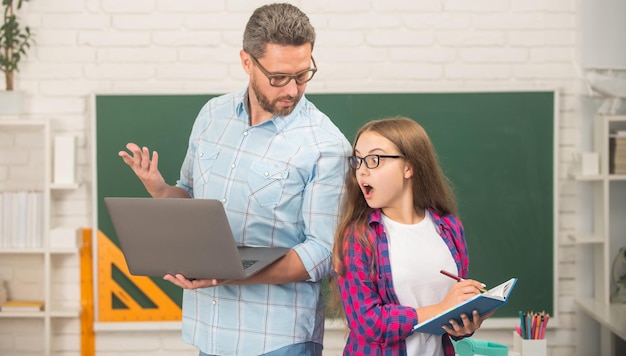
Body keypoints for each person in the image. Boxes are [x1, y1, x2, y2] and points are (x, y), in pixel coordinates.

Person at [118, 3, 351, 355]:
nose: (292, 89)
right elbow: (191, 199)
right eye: (278, 78)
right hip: (209, 331)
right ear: (247, 62)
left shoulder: (326, 144)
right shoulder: (212, 115)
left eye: (303, 74)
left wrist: (232, 272)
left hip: (279, 339)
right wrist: (161, 190)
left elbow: (322, 253)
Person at [332, 117, 493, 356]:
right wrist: (440, 309)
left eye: (374, 160)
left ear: (409, 167)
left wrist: (465, 322)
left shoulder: (449, 228)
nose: (362, 170)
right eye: (358, 160)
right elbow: (367, 322)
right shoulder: (359, 237)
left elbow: (449, 319)